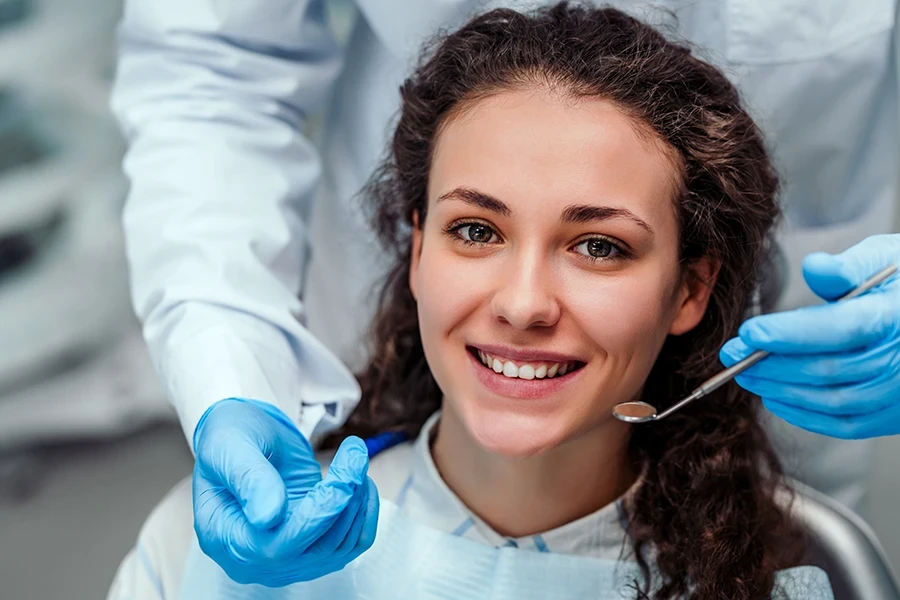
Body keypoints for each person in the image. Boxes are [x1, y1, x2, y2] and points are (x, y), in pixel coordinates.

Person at [110, 0, 900, 590]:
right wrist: (230, 370)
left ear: (691, 288)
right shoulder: (193, 556)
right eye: (477, 231)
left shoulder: (805, 575)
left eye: (599, 245)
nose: (524, 304)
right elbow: (212, 69)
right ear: (415, 246)